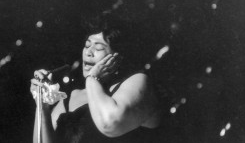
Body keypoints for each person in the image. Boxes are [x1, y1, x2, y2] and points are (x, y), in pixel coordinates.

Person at [30, 13, 161, 143]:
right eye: (87, 46)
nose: (88, 52)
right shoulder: (71, 98)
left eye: (98, 47)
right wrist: (42, 104)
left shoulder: (138, 82)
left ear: (117, 58)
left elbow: (110, 123)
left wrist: (92, 79)